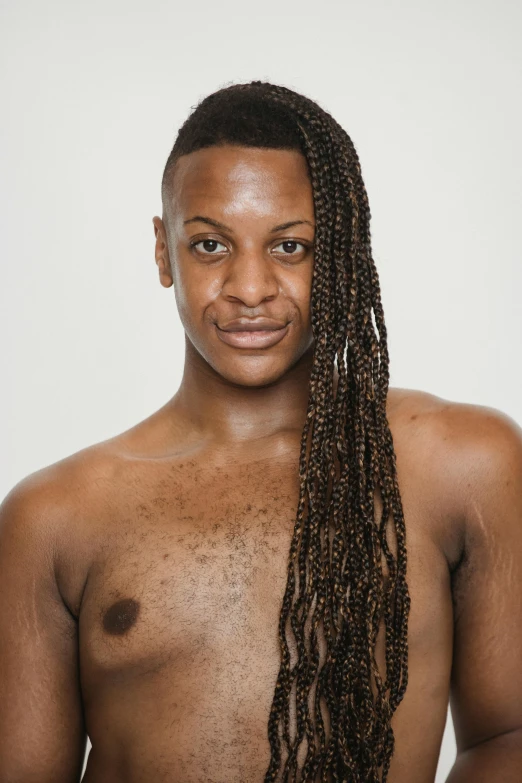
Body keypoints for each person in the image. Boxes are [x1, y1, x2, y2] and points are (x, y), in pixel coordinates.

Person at [1, 81, 521, 783]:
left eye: (291, 246)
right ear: (163, 250)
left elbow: (508, 736)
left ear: (339, 248)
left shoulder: (462, 464)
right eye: (211, 244)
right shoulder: (54, 516)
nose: (250, 287)